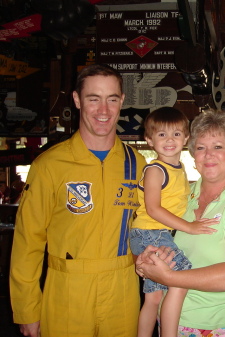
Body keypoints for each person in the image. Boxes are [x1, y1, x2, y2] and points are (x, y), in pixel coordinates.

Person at [9, 64, 147, 337]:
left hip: (123, 290)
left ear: (122, 101)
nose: (103, 110)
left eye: (112, 99)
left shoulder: (137, 164)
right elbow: (28, 243)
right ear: (76, 99)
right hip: (67, 291)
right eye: (93, 99)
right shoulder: (49, 165)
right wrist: (27, 309)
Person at [135, 109, 225, 337]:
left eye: (218, 147)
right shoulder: (183, 195)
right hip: (171, 322)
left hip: (220, 327)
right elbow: (149, 233)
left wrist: (170, 277)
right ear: (192, 154)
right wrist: (145, 262)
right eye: (201, 148)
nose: (208, 155)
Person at [130, 107, 217, 337]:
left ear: (186, 138)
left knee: (154, 296)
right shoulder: (155, 170)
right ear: (149, 140)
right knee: (181, 276)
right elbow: (153, 208)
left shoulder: (179, 169)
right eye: (162, 135)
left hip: (155, 233)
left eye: (176, 134)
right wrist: (189, 227)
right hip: (151, 232)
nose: (170, 140)